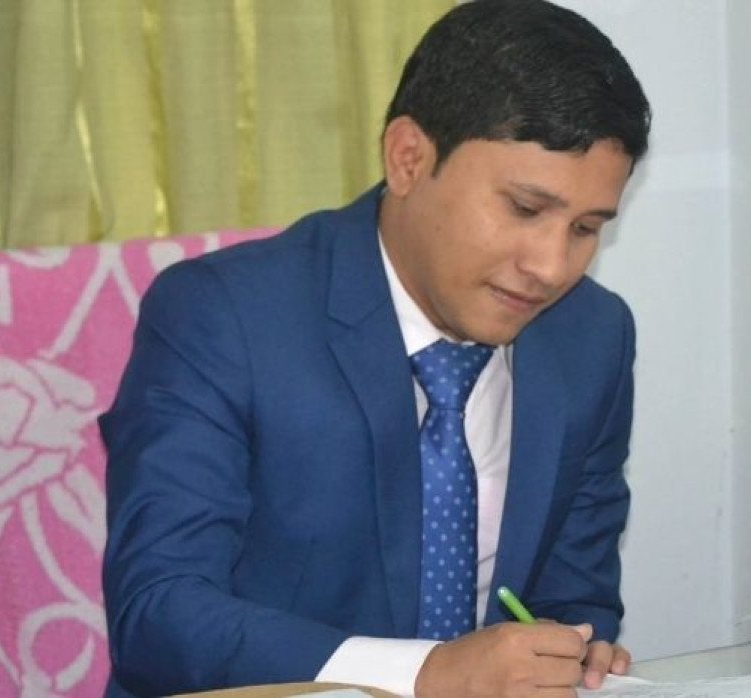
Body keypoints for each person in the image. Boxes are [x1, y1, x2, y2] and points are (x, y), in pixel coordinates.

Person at [100, 0, 651, 695]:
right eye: (524, 208)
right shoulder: (222, 316)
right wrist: (424, 674)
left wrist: (574, 651)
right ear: (408, 158)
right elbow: (159, 615)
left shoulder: (591, 338)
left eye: (586, 228)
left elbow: (575, 598)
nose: (550, 266)